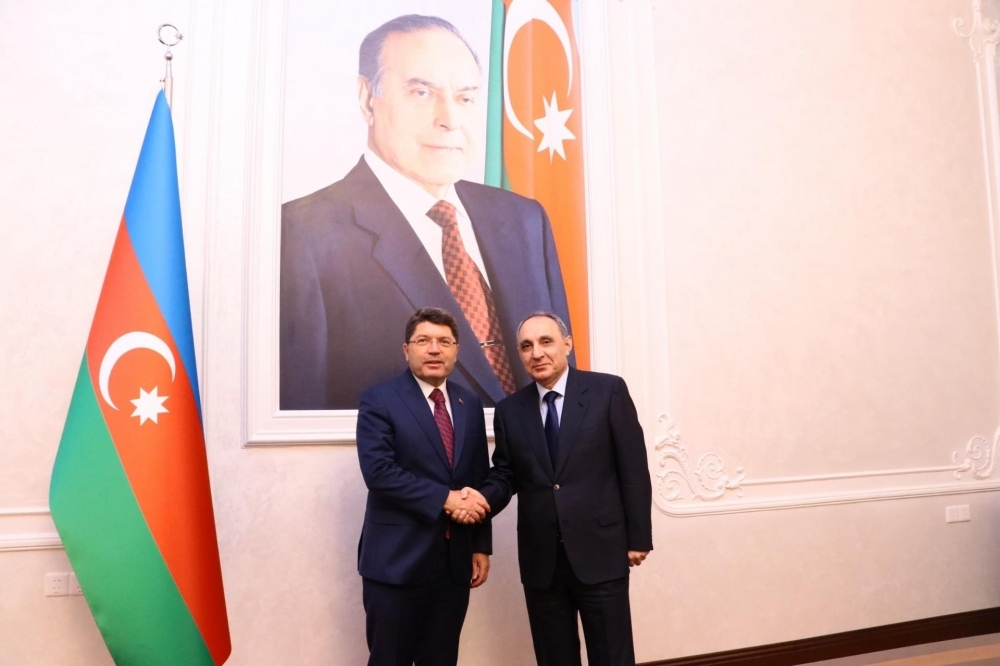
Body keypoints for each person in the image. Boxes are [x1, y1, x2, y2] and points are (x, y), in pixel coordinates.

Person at [280, 14, 572, 410]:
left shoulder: (524, 220)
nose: (449, 120)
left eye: (465, 98)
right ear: (367, 99)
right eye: (421, 93)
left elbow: (562, 389)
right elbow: (301, 420)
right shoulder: (302, 234)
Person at [479, 312, 653, 666]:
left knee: (612, 656)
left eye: (546, 342)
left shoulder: (607, 391)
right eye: (526, 346)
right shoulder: (510, 410)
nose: (537, 353)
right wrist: (480, 500)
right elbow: (506, 475)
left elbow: (633, 468)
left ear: (567, 344)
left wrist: (639, 537)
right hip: (542, 561)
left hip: (601, 552)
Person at [355, 307, 493, 666]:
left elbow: (477, 476)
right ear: (406, 350)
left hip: (453, 563)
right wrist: (446, 499)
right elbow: (379, 473)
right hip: (395, 562)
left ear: (456, 350)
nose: (434, 349)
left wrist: (480, 545)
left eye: (444, 341)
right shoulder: (379, 399)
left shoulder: (468, 402)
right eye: (423, 341)